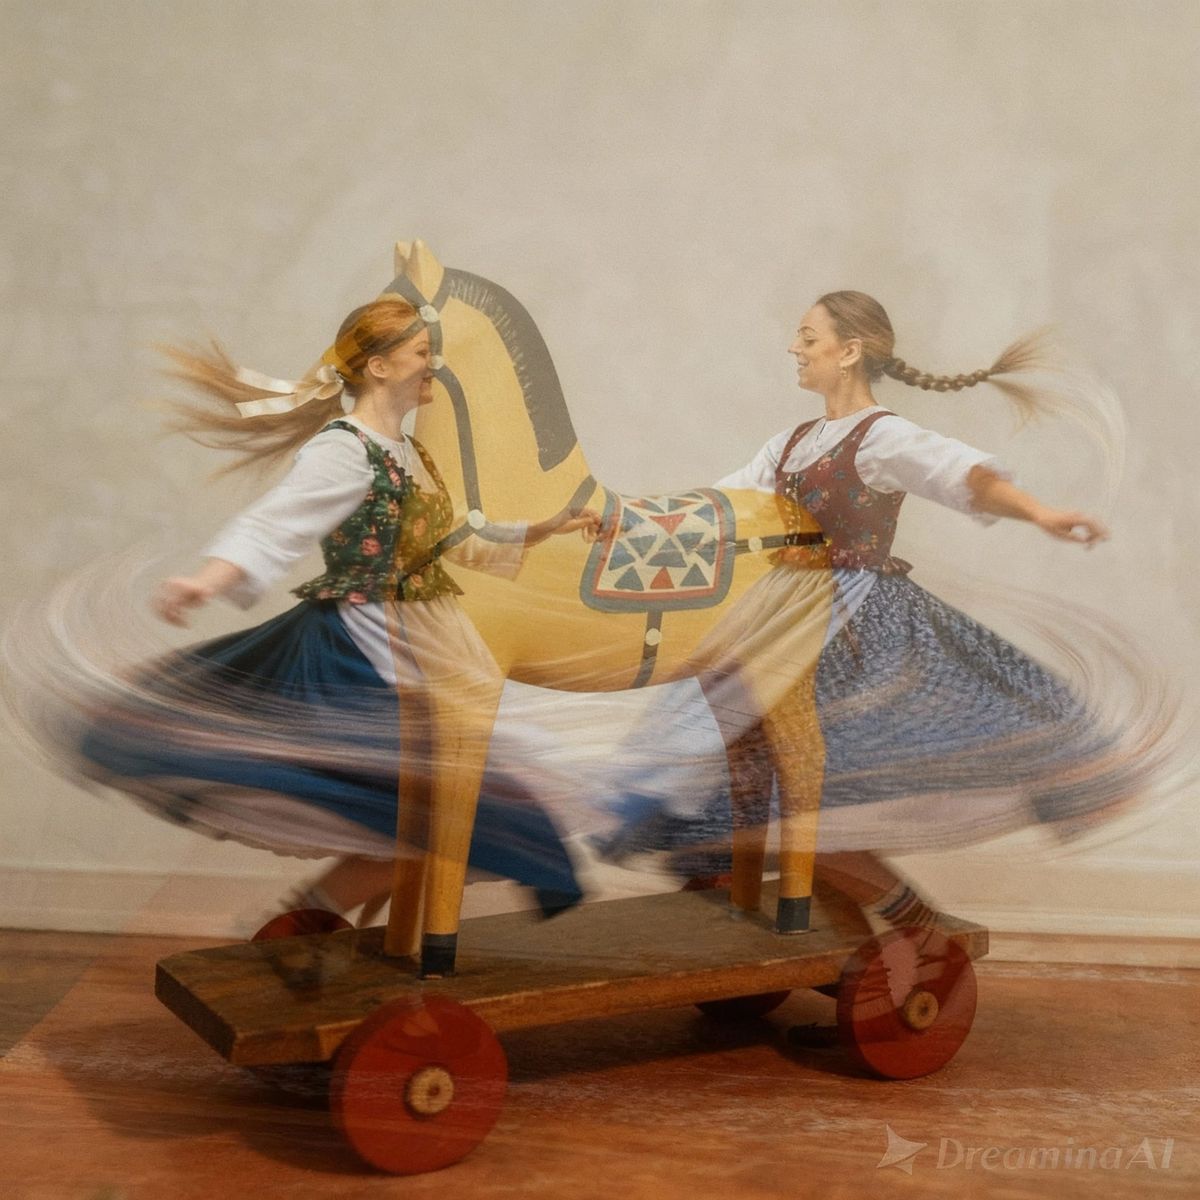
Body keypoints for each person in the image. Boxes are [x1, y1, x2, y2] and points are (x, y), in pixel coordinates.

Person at [600, 291, 1156, 929]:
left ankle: (920, 934)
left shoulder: (883, 436)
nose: (794, 348)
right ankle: (842, 939)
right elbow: (713, 508)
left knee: (814, 802)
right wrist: (618, 519)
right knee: (739, 795)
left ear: (850, 351)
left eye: (808, 336)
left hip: (853, 634)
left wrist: (1039, 512)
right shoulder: (789, 445)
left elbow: (962, 475)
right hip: (779, 623)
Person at [56, 293, 600, 927]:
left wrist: (545, 527)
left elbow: (448, 540)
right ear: (379, 366)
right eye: (422, 352)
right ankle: (304, 924)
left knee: (452, 801)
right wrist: (209, 579)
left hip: (423, 639)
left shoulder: (407, 451)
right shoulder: (343, 449)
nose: (434, 365)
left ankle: (305, 923)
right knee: (445, 800)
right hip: (367, 644)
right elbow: (276, 522)